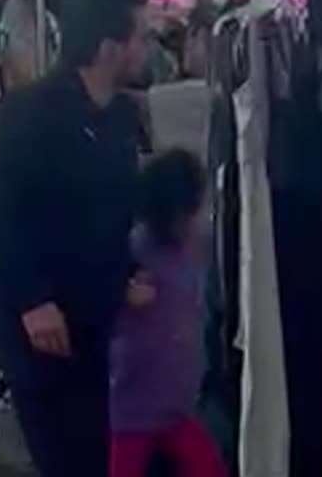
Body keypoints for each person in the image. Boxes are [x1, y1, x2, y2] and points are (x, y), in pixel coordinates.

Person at [0, 0, 151, 477]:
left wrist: (126, 273)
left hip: (92, 314)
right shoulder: (29, 113)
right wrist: (33, 299)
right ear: (110, 47)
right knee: (63, 455)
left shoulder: (120, 117)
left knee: (89, 454)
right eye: (141, 37)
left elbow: (109, 210)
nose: (147, 48)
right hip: (38, 319)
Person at [110, 148, 226, 477]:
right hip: (131, 401)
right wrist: (124, 292)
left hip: (177, 401)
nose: (200, 215)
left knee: (208, 467)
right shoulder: (135, 250)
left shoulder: (194, 246)